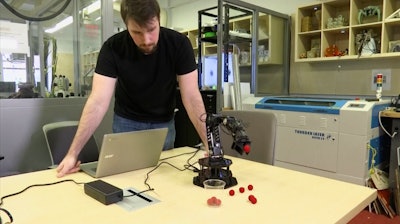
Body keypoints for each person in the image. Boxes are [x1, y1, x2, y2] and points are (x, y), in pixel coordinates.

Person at [56, 0, 207, 177]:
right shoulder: (113, 47)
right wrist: (72, 154)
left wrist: (209, 145)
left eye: (151, 30)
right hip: (126, 124)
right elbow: (97, 102)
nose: (146, 40)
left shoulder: (179, 44)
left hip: (164, 125)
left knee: (163, 179)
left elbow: (191, 97)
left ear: (159, 20)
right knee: (125, 179)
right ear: (126, 25)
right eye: (137, 32)